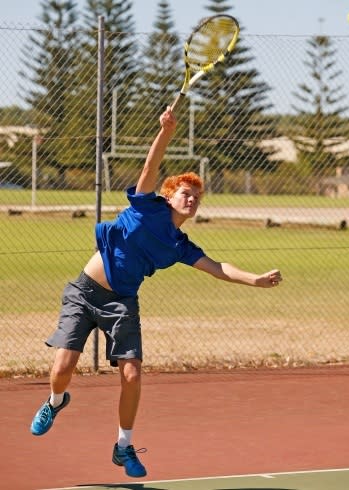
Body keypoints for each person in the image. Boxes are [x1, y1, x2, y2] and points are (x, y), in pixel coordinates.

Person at [30, 106, 283, 479]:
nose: (192, 199)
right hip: (84, 293)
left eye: (197, 196)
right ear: (168, 196)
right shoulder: (147, 205)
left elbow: (217, 268)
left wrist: (255, 280)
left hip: (122, 303)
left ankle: (123, 446)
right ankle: (55, 401)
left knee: (132, 374)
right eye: (185, 192)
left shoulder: (180, 245)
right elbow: (149, 169)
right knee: (63, 368)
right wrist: (165, 131)